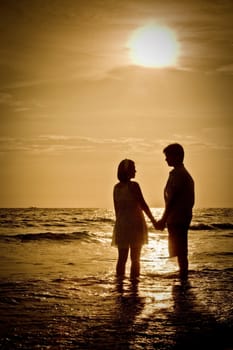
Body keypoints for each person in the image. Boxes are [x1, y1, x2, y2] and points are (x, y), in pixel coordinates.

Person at [112, 159, 157, 279]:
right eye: (133, 168)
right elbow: (143, 205)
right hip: (135, 225)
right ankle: (134, 286)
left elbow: (117, 210)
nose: (135, 171)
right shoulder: (134, 186)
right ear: (128, 171)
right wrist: (153, 220)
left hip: (121, 225)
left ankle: (119, 285)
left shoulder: (116, 188)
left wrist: (120, 223)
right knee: (135, 259)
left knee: (121, 259)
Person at [156, 143, 195, 280]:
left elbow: (172, 200)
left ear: (177, 156)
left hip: (178, 218)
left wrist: (163, 219)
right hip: (178, 218)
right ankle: (182, 279)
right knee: (180, 252)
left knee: (181, 252)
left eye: (168, 156)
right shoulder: (178, 173)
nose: (166, 159)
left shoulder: (180, 174)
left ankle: (183, 280)